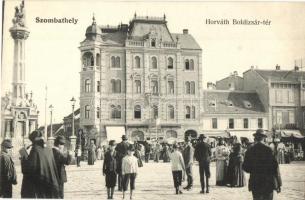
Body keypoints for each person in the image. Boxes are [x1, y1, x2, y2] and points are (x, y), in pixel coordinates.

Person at [243, 129, 281, 200]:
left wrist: (254, 169)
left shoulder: (250, 150)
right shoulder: (269, 149)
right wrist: (278, 183)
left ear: (255, 138)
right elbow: (275, 167)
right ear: (264, 138)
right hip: (268, 181)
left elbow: (245, 167)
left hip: (255, 181)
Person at [20, 130, 61, 198]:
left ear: (33, 141)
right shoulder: (49, 149)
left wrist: (23, 158)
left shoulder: (35, 150)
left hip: (40, 187)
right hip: (51, 185)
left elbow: (28, 170)